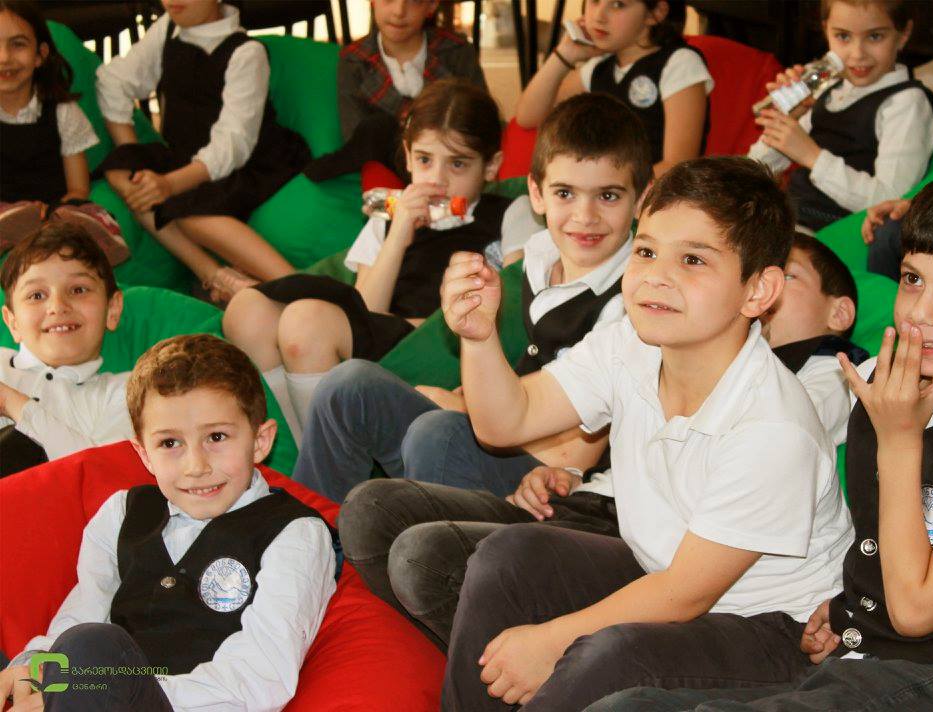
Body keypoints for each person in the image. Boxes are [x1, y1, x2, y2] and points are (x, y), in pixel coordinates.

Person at [588, 163, 933, 712]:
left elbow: (917, 613)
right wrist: (850, 606)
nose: (920, 312)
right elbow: (874, 538)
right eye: (913, 279)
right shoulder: (875, 382)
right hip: (863, 653)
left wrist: (900, 443)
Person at [440, 156, 854, 711]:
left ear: (758, 291)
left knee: (608, 657)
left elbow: (685, 594)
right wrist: (478, 338)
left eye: (693, 260)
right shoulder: (629, 343)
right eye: (646, 251)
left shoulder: (774, 426)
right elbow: (505, 421)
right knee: (507, 557)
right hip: (661, 571)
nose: (657, 275)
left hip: (776, 630)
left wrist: (550, 642)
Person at [294, 92, 647, 503]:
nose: (585, 216)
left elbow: (574, 456)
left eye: (608, 196)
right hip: (495, 428)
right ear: (537, 193)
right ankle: (311, 530)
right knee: (347, 385)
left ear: (641, 200)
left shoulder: (632, 299)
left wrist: (463, 410)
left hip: (545, 475)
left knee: (436, 433)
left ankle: (423, 542)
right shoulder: (536, 257)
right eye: (565, 193)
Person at [0, 334, 336, 712]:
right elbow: (82, 612)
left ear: (260, 441)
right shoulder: (123, 512)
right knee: (61, 651)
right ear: (144, 454)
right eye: (170, 444)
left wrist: (103, 686)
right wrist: (33, 669)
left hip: (186, 703)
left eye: (217, 437)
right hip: (97, 688)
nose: (196, 466)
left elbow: (261, 677)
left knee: (92, 647)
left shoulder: (294, 532)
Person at [223, 79, 507, 442]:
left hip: (439, 344)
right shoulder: (387, 216)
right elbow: (368, 309)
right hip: (381, 330)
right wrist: (399, 231)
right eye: (424, 160)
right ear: (407, 156)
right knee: (245, 310)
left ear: (491, 166)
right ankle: (297, 446)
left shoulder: (509, 215)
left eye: (458, 164)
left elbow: (516, 309)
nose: (437, 180)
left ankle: (326, 459)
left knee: (305, 322)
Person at [95, 0, 310, 301]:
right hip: (186, 157)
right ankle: (215, 275)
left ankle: (300, 285)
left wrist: (169, 184)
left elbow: (232, 144)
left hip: (247, 163)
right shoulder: (167, 29)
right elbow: (113, 81)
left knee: (187, 209)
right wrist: (134, 158)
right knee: (122, 172)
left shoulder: (247, 53)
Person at [748, 0, 933, 232]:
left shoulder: (905, 103)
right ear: (826, 31)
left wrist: (813, 157)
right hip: (788, 219)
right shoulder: (828, 85)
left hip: (837, 233)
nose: (857, 54)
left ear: (903, 35)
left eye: (875, 37)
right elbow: (754, 170)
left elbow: (889, 201)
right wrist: (787, 118)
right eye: (843, 36)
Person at [514, 0, 711, 176]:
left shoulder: (679, 63)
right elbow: (527, 117)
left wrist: (608, 189)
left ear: (656, 13)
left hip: (655, 197)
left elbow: (677, 163)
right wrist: (565, 55)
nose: (598, 16)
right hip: (602, 191)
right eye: (594, 1)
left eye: (618, 4)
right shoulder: (599, 66)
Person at [0, 0, 127, 264]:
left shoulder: (63, 111)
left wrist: (53, 212)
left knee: (83, 212)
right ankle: (15, 230)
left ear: (40, 55)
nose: (4, 57)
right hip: (4, 209)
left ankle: (87, 235)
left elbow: (78, 188)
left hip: (55, 206)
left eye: (18, 44)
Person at [303, 0, 487, 182]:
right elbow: (355, 136)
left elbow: (481, 119)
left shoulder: (456, 51)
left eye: (413, 2)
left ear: (431, 5)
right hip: (386, 163)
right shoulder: (354, 61)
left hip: (448, 161)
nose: (399, 11)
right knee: (375, 128)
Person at [0, 223, 130, 476]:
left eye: (78, 290)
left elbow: (101, 477)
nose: (58, 306)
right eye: (37, 295)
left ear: (112, 309)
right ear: (12, 322)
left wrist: (13, 404)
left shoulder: (127, 393)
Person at [763, 232, 867, 444]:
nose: (765, 287)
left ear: (838, 314)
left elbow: (788, 430)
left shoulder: (836, 375)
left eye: (787, 276)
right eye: (758, 279)